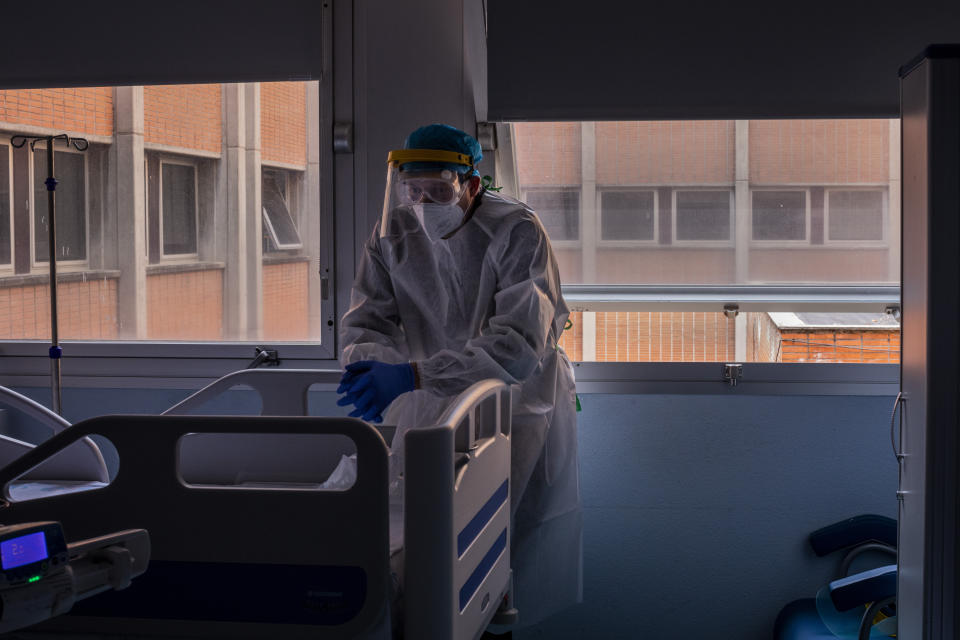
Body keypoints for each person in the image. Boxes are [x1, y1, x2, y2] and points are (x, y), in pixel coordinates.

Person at [337, 123, 581, 632]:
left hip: (511, 401)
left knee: (497, 533)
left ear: (473, 183)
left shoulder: (516, 230)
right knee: (424, 524)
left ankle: (494, 621)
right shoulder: (393, 233)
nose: (425, 203)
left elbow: (517, 345)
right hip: (423, 395)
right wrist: (372, 368)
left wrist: (414, 374)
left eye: (439, 190)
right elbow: (366, 320)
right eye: (414, 190)